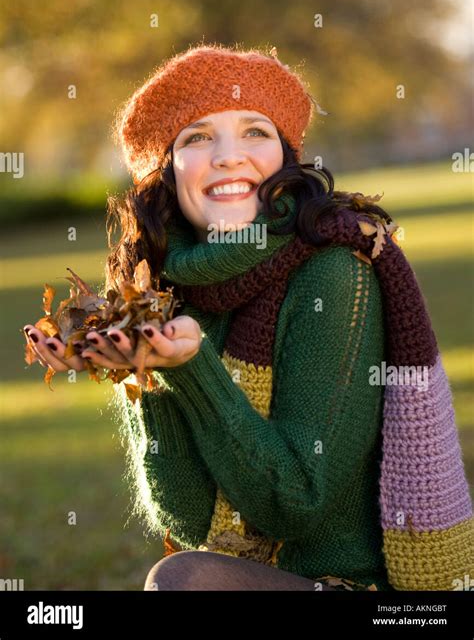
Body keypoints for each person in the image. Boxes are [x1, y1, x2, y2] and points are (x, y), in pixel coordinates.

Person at [24, 43, 473, 591]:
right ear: (165, 173)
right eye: (197, 137)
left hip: (363, 591)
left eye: (255, 131)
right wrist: (148, 373)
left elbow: (297, 503)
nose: (228, 156)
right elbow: (195, 524)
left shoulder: (334, 272)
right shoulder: (168, 294)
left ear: (286, 157)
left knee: (182, 581)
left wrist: (194, 369)